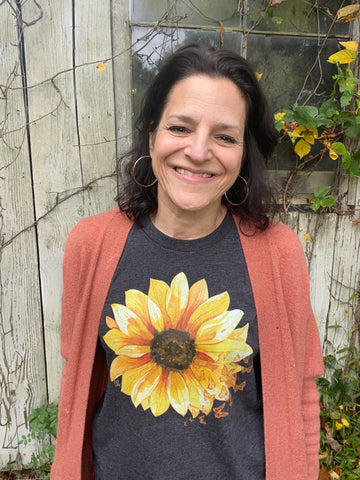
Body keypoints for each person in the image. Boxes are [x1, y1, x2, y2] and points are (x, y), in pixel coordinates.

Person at [51, 44, 323, 480]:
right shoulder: (91, 244)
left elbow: (301, 397)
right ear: (152, 132)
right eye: (181, 127)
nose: (198, 152)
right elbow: (76, 383)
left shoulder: (279, 254)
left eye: (225, 136)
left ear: (244, 153)